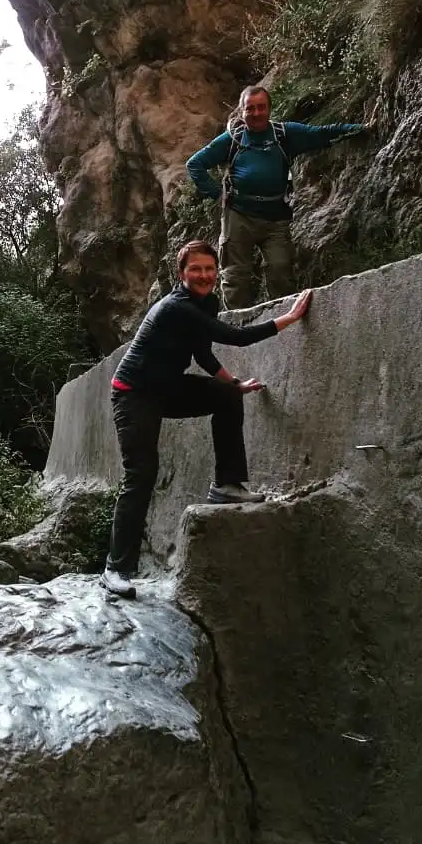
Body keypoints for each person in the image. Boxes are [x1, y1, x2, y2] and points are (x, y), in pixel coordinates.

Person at [100, 239, 312, 599]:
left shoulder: (206, 303)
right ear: (181, 274)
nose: (203, 275)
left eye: (209, 269)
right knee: (141, 474)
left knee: (227, 395)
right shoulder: (176, 307)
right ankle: (116, 568)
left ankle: (227, 485)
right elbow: (236, 337)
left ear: (216, 272)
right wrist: (288, 318)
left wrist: (234, 384)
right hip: (133, 394)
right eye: (195, 269)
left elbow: (203, 352)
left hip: (167, 388)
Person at [186, 85, 370, 310]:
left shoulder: (284, 134)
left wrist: (359, 128)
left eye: (261, 108)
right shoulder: (232, 140)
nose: (256, 113)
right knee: (236, 277)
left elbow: (321, 134)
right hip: (238, 217)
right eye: (250, 109)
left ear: (269, 109)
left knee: (281, 269)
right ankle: (236, 332)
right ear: (242, 113)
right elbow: (195, 164)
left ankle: (281, 323)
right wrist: (216, 194)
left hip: (275, 217)